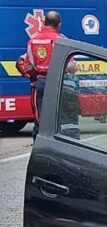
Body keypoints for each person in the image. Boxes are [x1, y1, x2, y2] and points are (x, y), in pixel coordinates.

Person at [25, 11, 67, 141]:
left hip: (40, 81)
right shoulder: (61, 40)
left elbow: (27, 65)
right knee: (57, 118)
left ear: (44, 22)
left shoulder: (33, 40)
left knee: (40, 119)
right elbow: (71, 66)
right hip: (56, 82)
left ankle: (38, 145)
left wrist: (35, 76)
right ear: (58, 25)